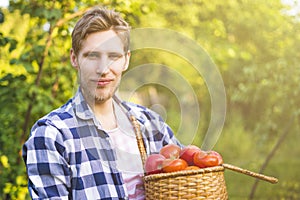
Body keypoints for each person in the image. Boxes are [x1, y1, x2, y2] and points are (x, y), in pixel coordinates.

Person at [22, 6, 182, 200]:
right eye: (92, 56)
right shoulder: (52, 135)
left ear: (126, 61)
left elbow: (187, 182)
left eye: (113, 56)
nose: (103, 69)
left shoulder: (151, 125)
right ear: (75, 58)